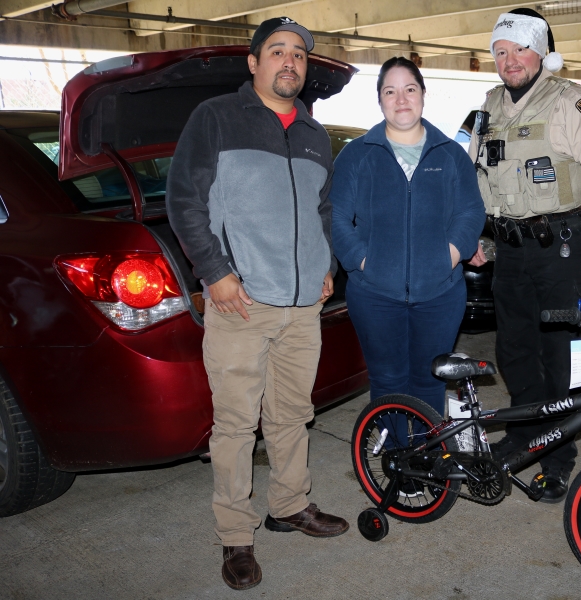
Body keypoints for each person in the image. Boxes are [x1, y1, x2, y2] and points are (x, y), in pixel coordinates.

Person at [167, 17, 349, 591]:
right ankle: (236, 537)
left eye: (298, 54)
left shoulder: (317, 135)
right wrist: (215, 273)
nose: (289, 62)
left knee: (294, 415)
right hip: (241, 302)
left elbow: (323, 211)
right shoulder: (217, 118)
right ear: (254, 62)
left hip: (302, 306)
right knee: (237, 425)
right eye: (277, 51)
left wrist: (327, 267)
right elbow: (183, 201)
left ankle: (290, 505)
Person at [468, 9, 581, 503]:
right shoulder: (488, 106)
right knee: (515, 353)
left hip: (563, 251)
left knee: (560, 357)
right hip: (510, 255)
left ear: (541, 53)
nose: (509, 60)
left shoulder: (570, 101)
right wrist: (476, 235)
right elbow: (474, 176)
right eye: (500, 51)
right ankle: (523, 437)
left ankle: (558, 458)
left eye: (519, 50)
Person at [330, 57, 485, 429]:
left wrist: (447, 257)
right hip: (374, 295)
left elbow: (471, 212)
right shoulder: (357, 155)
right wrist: (365, 263)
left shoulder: (449, 155)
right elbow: (335, 217)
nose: (401, 99)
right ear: (380, 100)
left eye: (410, 89)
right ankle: (397, 465)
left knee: (430, 380)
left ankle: (427, 462)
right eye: (390, 91)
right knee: (387, 382)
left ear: (423, 95)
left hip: (440, 294)